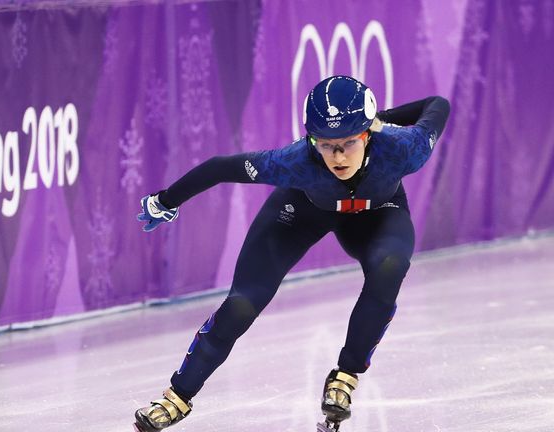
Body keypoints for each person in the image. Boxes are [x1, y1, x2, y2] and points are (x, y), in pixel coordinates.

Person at [133, 75, 450, 432]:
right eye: (326, 145)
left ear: (367, 135)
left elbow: (437, 105)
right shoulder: (295, 161)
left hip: (377, 214)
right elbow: (222, 167)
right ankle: (177, 396)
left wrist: (381, 118)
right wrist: (165, 200)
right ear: (311, 140)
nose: (338, 156)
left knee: (391, 265)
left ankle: (344, 377)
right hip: (302, 211)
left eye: (349, 142)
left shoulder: (403, 148)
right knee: (241, 304)